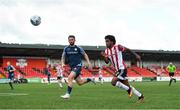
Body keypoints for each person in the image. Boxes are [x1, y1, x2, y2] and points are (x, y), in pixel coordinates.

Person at [101, 35, 144, 102]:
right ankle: (140, 96)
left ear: (112, 42)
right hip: (117, 70)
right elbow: (107, 62)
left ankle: (128, 90)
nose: (106, 43)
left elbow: (128, 50)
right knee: (127, 85)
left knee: (113, 82)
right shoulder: (106, 51)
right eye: (105, 41)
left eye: (107, 41)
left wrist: (136, 55)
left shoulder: (118, 47)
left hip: (122, 69)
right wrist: (104, 56)